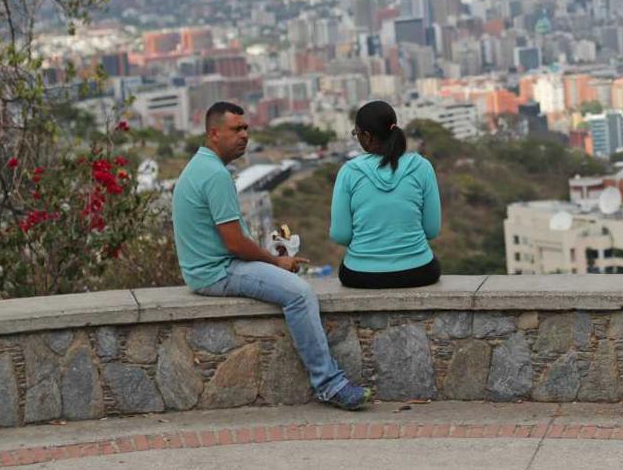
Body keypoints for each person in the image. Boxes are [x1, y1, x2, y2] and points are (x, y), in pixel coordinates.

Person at [172, 101, 371, 410]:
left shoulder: (200, 166)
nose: (244, 135)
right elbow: (235, 244)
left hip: (207, 267)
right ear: (214, 133)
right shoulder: (215, 176)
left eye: (246, 128)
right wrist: (276, 261)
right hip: (217, 271)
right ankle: (329, 384)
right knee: (300, 294)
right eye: (236, 129)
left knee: (292, 285)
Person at [331, 101, 442, 288]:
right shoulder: (422, 167)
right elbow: (432, 230)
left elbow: (340, 235)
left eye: (356, 133)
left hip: (361, 275)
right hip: (419, 271)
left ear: (366, 136)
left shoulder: (349, 172)